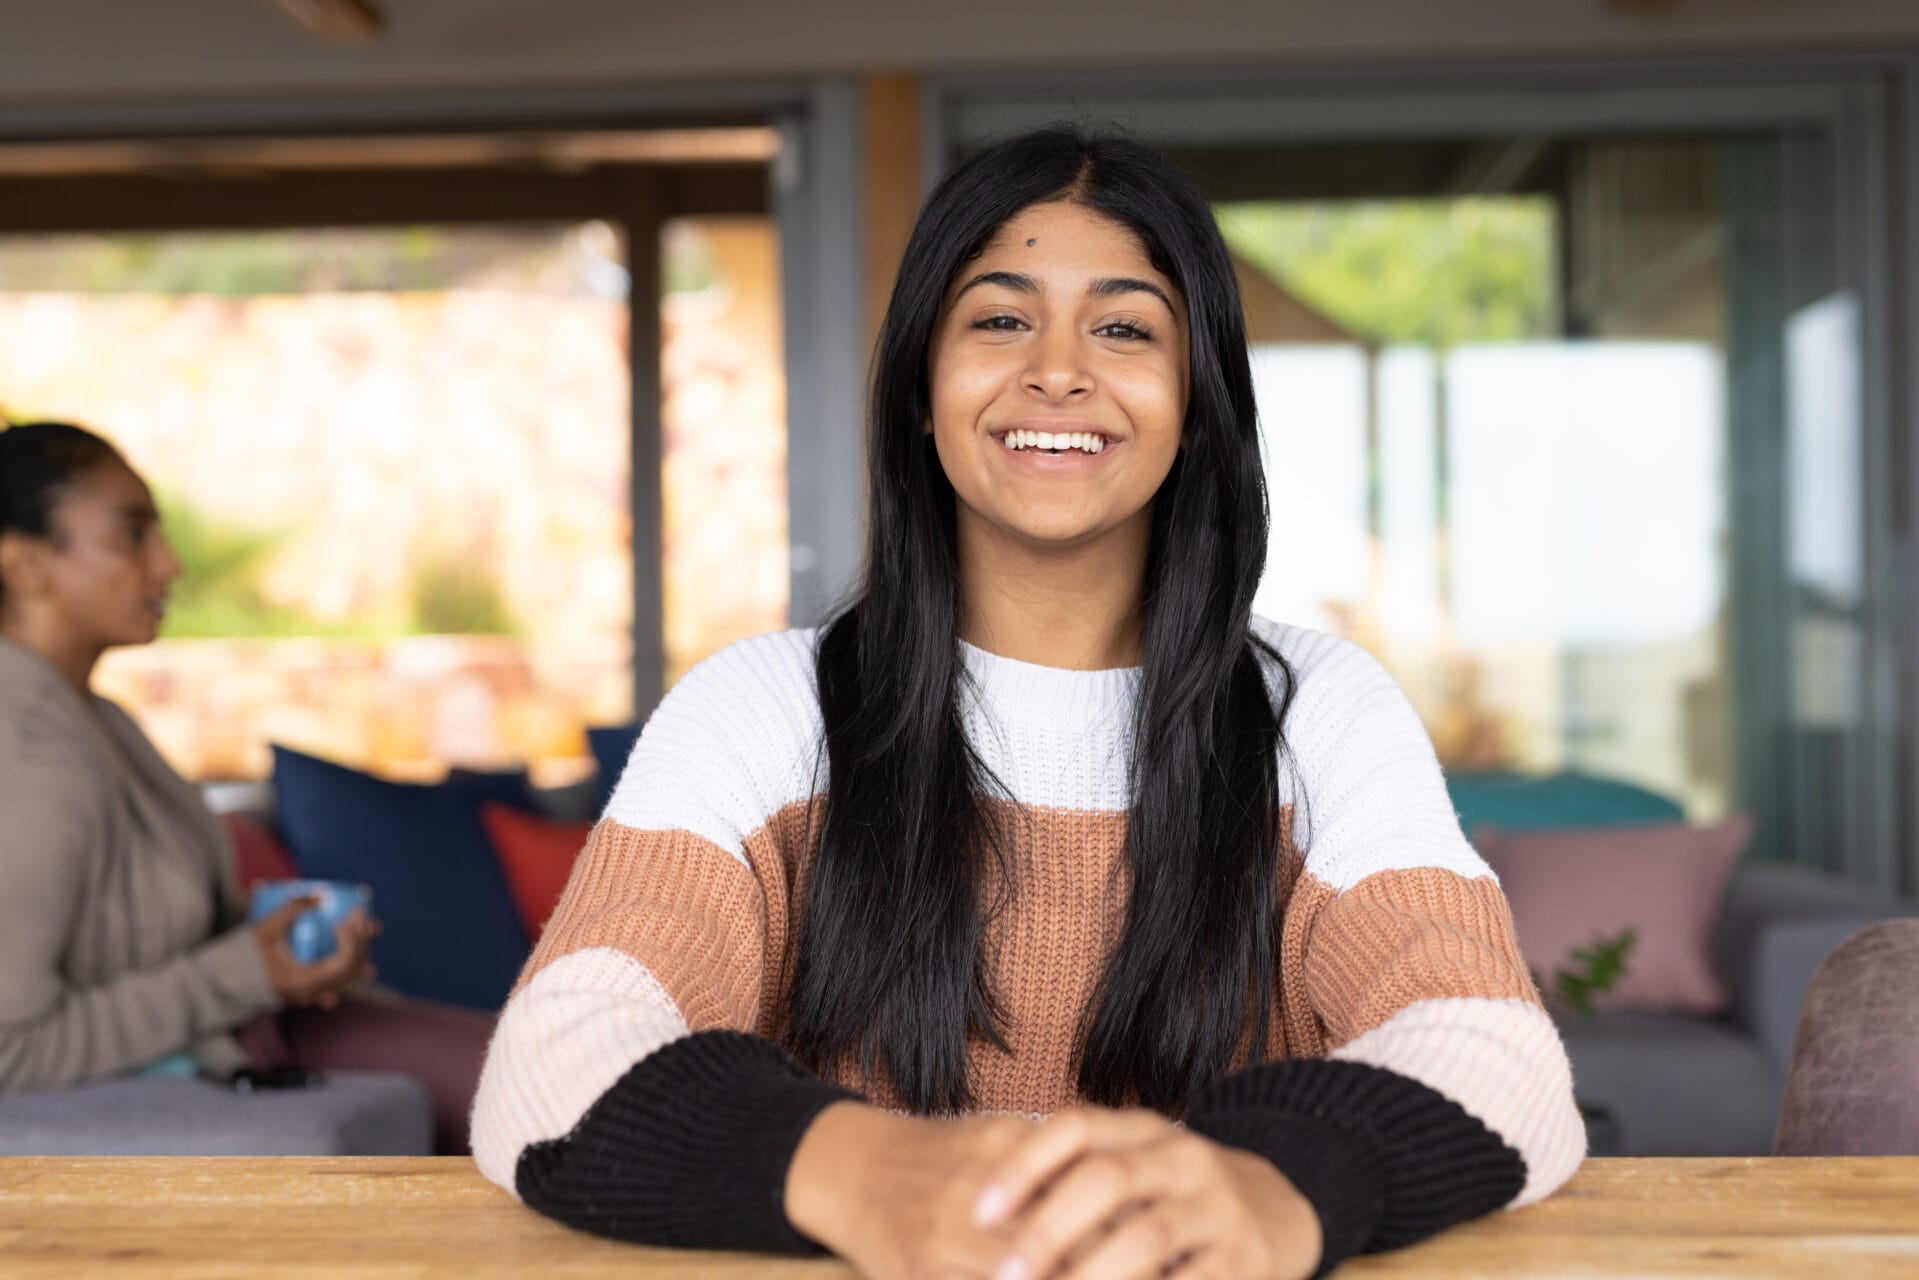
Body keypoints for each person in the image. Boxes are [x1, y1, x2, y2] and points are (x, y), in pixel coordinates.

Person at [471, 127, 1585, 1279]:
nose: (1057, 369)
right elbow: (557, 1055)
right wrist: (874, 1176)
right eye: (1000, 318)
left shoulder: (1315, 711)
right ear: (919, 388)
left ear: (1197, 402)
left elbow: (1495, 1051)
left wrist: (1262, 1186)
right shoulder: (762, 707)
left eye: (1123, 326)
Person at [0, 420, 490, 1154]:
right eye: (132, 535)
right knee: (557, 1079)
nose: (168, 565)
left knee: (566, 1058)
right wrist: (245, 972)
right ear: (25, 566)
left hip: (256, 1027)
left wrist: (283, 955)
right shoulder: (26, 747)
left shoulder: (97, 718)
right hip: (215, 1051)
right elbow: (13, 1050)